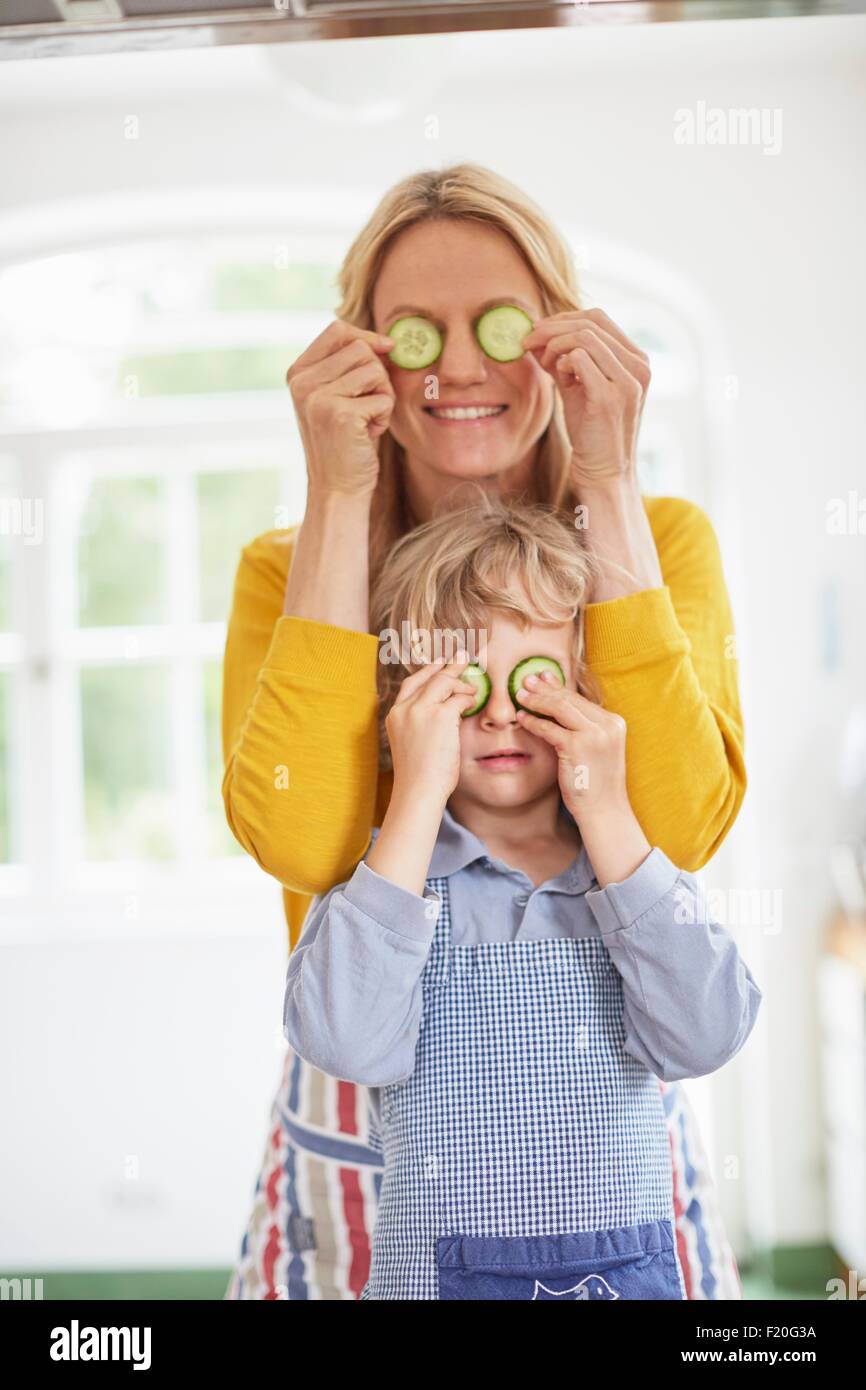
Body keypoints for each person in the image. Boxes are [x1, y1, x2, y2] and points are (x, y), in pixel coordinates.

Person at [222, 163, 748, 1300]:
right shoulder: (287, 568)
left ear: (558, 337)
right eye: (413, 333)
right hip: (364, 1076)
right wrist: (334, 498)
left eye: (494, 325)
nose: (457, 366)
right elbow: (304, 847)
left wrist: (605, 477)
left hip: (599, 1093)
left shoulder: (662, 539)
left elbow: (680, 822)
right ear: (362, 353)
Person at [283, 495, 761, 1301]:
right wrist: (412, 794)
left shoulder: (623, 872)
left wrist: (607, 811)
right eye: (466, 686)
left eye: (535, 685)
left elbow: (708, 1035)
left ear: (585, 690)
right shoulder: (391, 882)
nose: (503, 712)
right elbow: (344, 1041)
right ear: (408, 702)